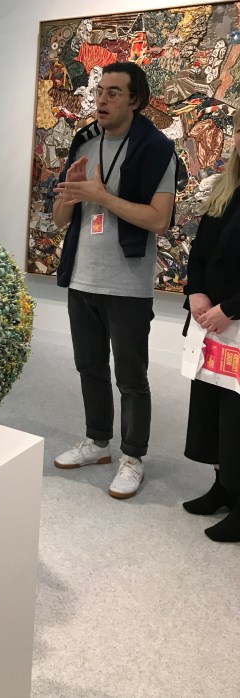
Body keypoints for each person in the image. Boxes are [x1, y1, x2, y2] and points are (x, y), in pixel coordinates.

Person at [52, 61, 177, 498]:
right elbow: (60, 218)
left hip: (127, 282)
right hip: (82, 276)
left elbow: (159, 219)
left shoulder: (156, 148)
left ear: (135, 100)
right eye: (99, 91)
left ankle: (132, 457)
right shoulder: (84, 141)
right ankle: (97, 442)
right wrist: (71, 195)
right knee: (89, 367)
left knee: (130, 376)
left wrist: (103, 196)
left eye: (113, 93)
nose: (101, 100)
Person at [182, 109, 240, 542]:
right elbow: (200, 249)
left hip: (234, 318)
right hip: (213, 322)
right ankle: (224, 486)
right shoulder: (227, 186)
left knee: (238, 417)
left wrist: (231, 309)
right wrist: (195, 292)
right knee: (213, 408)